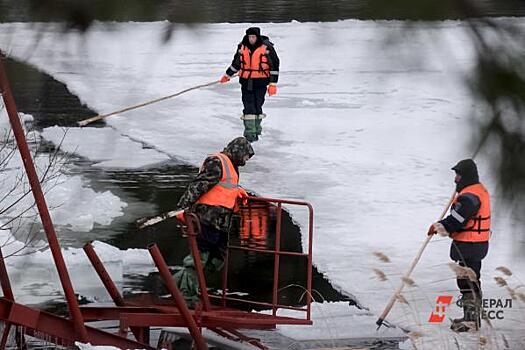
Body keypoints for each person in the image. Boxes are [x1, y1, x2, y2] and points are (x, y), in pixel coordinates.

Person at [174, 137, 254, 306]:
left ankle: (175, 283)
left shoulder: (232, 166)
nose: (246, 160)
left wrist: (237, 192)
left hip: (222, 222)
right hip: (206, 219)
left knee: (218, 258)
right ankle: (187, 295)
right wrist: (183, 206)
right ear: (237, 151)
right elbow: (199, 185)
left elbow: (223, 187)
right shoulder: (217, 162)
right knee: (199, 258)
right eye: (245, 156)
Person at [428, 159, 490, 332]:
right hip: (477, 243)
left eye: (458, 175)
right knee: (472, 279)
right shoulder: (477, 190)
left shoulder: (470, 196)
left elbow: (457, 220)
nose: (455, 179)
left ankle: (470, 321)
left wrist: (439, 226)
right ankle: (472, 318)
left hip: (470, 244)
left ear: (466, 176)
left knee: (466, 280)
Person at [219, 27, 280, 142]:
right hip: (246, 82)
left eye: (253, 37)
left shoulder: (267, 48)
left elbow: (274, 66)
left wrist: (273, 84)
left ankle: (257, 130)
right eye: (249, 37)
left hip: (261, 82)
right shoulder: (242, 47)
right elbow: (236, 64)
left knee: (258, 105)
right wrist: (227, 75)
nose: (251, 39)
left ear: (257, 37)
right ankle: (250, 133)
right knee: (248, 106)